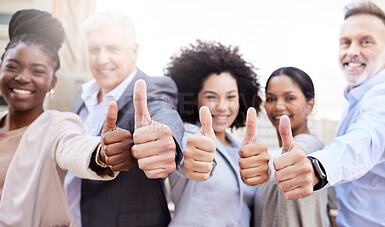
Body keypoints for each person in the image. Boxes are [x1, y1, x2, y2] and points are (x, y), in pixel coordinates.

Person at [271, 2, 385, 226]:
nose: (352, 51)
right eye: (346, 42)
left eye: (365, 41)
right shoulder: (356, 98)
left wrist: (317, 168)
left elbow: (364, 141)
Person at [0, 9, 134, 226]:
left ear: (52, 83)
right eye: (12, 67)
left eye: (37, 71)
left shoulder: (57, 126)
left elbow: (76, 147)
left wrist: (103, 154)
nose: (22, 78)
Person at [63, 12, 184, 227]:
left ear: (133, 52)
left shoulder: (153, 88)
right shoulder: (81, 95)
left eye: (113, 48)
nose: (101, 59)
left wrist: (166, 141)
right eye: (94, 50)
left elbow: (164, 114)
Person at [165, 40, 267, 226]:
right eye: (211, 97)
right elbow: (185, 154)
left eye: (230, 97)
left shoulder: (240, 148)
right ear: (195, 99)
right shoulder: (187, 135)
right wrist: (192, 156)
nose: (222, 107)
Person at [253, 67, 329, 227]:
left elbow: (298, 156)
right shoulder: (276, 153)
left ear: (310, 105)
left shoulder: (312, 147)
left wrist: (258, 165)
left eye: (290, 98)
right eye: (271, 98)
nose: (278, 106)